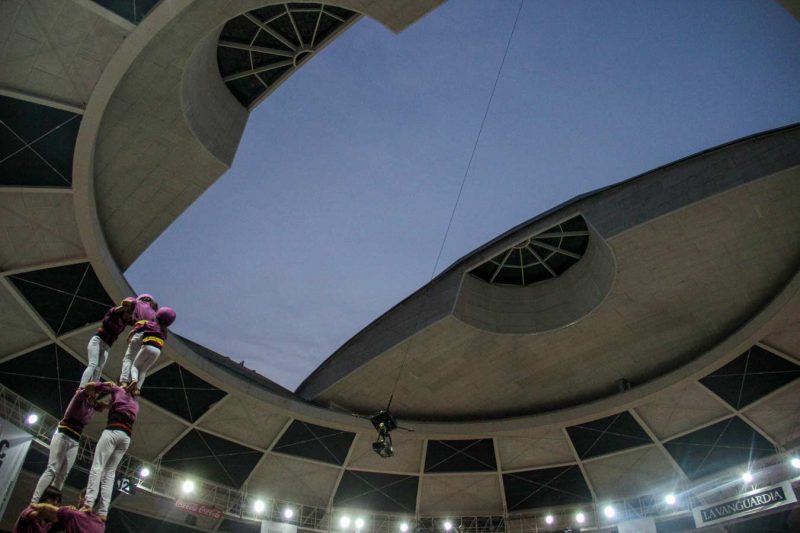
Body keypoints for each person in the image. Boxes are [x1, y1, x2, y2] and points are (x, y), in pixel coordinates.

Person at [30, 388, 107, 503]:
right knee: (52, 468)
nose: (95, 395)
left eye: (97, 393)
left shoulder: (92, 407)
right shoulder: (79, 397)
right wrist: (101, 386)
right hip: (63, 435)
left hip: (75, 440)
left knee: (63, 474)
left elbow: (108, 405)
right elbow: (86, 391)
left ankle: (52, 501)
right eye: (94, 392)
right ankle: (34, 501)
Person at [81, 381, 139, 519]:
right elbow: (117, 405)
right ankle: (103, 512)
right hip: (126, 437)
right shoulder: (135, 401)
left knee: (97, 466)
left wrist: (95, 388)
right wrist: (106, 405)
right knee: (110, 473)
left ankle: (88, 503)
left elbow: (91, 385)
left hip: (113, 431)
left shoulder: (117, 389)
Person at [79, 298, 135, 388]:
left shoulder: (127, 321)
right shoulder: (113, 313)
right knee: (93, 364)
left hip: (107, 346)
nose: (129, 316)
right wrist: (128, 305)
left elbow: (138, 322)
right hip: (98, 340)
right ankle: (81, 387)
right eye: (128, 313)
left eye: (130, 314)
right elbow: (118, 309)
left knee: (99, 368)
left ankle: (93, 389)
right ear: (125, 311)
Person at [129, 307, 176, 389]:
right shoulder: (165, 332)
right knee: (143, 370)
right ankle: (137, 389)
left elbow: (137, 329)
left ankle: (134, 379)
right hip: (157, 351)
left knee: (135, 366)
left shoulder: (150, 324)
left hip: (147, 346)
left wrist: (129, 336)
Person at [119, 294, 157, 385]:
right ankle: (136, 386)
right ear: (151, 302)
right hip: (150, 337)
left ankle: (124, 381)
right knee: (141, 364)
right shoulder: (155, 313)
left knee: (129, 358)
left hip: (139, 332)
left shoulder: (137, 303)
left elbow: (125, 301)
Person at [30, 489, 104, 532]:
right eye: (54, 500)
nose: (55, 503)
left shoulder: (74, 515)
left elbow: (45, 507)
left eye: (57, 501)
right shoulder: (101, 524)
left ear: (82, 498)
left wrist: (34, 504)